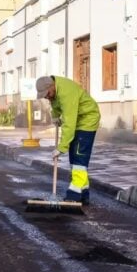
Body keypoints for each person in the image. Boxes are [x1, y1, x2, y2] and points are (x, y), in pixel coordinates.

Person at [36, 75, 101, 204]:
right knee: (74, 160)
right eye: (44, 96)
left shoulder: (66, 93)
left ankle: (73, 195)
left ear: (51, 86)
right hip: (78, 120)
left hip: (87, 120)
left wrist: (61, 147)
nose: (46, 97)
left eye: (47, 94)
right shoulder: (55, 91)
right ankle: (83, 193)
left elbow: (69, 123)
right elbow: (55, 104)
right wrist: (55, 115)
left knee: (79, 159)